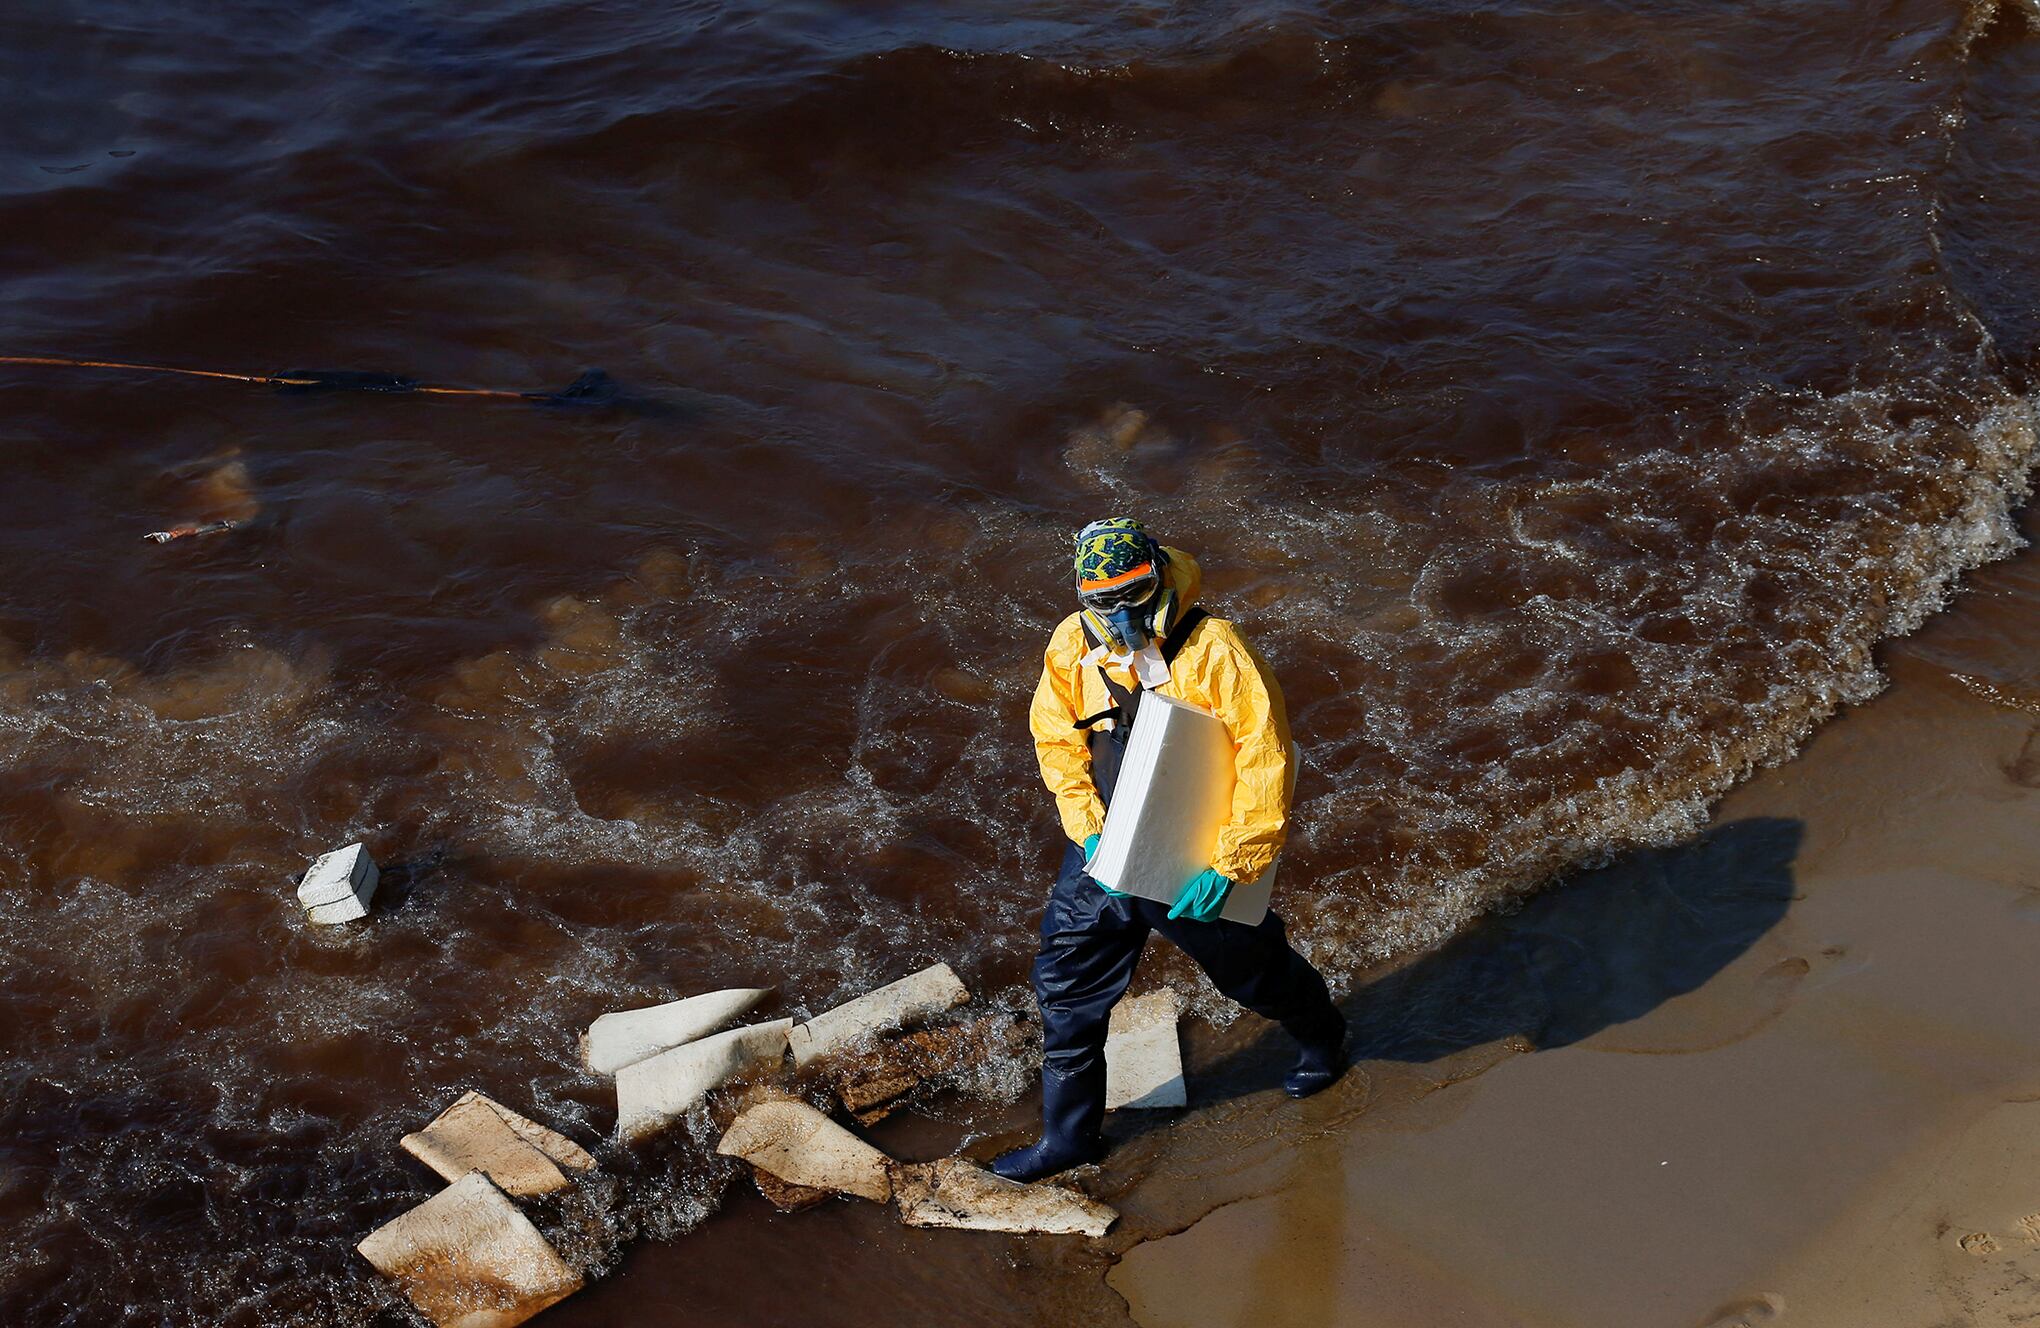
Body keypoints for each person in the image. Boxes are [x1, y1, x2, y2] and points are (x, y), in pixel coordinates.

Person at [992, 517, 1348, 1183]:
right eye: (1105, 603)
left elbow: (1265, 758)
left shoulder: (1217, 649)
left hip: (1192, 851)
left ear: (1158, 577)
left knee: (1251, 968)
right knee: (1066, 983)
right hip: (1103, 847)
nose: (1121, 616)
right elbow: (1055, 736)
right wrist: (1088, 830)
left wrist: (1233, 863)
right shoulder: (1072, 642)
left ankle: (1323, 1036)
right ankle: (1067, 1139)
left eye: (1135, 595)